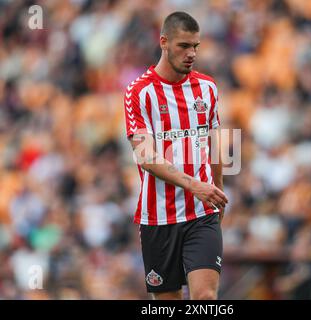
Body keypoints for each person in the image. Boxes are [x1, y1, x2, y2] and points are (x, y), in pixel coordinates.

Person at [124, 11, 228, 300]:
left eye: (196, 46)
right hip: (158, 219)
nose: (191, 53)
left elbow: (215, 144)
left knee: (206, 297)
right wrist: (195, 185)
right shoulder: (139, 93)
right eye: (184, 46)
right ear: (164, 42)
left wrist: (216, 190)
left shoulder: (207, 88)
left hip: (201, 214)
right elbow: (145, 156)